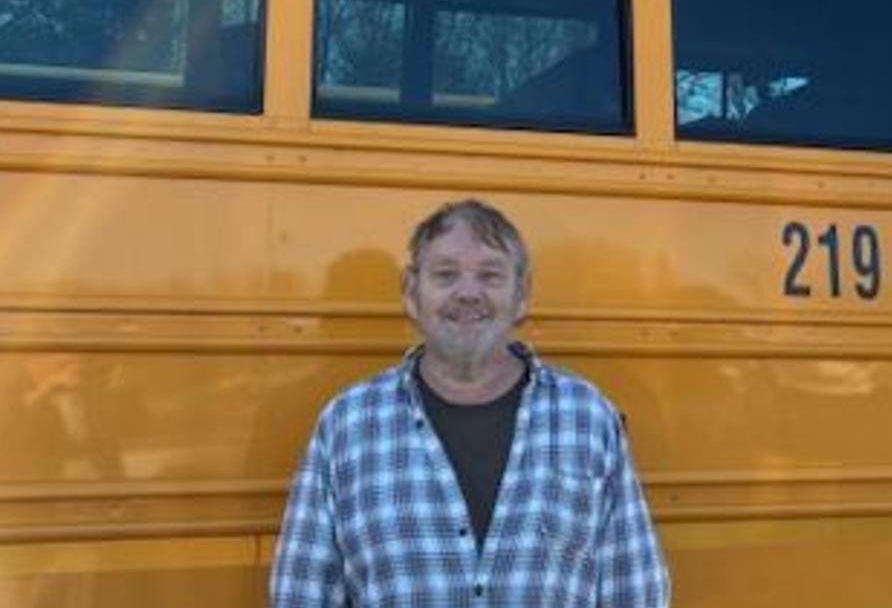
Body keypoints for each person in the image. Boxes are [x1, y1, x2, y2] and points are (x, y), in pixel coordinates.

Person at [270, 199, 669, 607]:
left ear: (522, 294)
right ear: (411, 292)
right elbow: (301, 594)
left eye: (490, 275)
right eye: (445, 275)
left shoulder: (587, 419)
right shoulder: (347, 426)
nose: (468, 293)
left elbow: (634, 591)